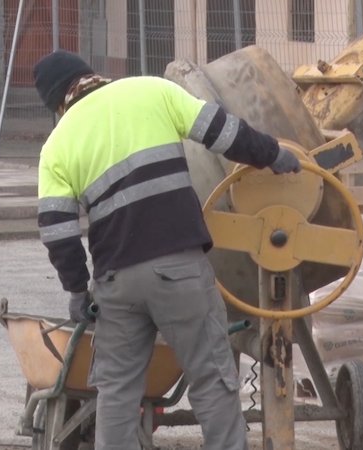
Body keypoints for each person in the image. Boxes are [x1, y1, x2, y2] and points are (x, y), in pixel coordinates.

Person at [33, 50, 300, 449]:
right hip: (179, 269)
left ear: (57, 103)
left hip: (116, 282)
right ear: (90, 74)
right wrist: (273, 154)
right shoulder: (151, 90)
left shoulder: (56, 146)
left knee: (116, 393)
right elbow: (224, 133)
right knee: (211, 377)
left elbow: (57, 231)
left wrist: (76, 289)